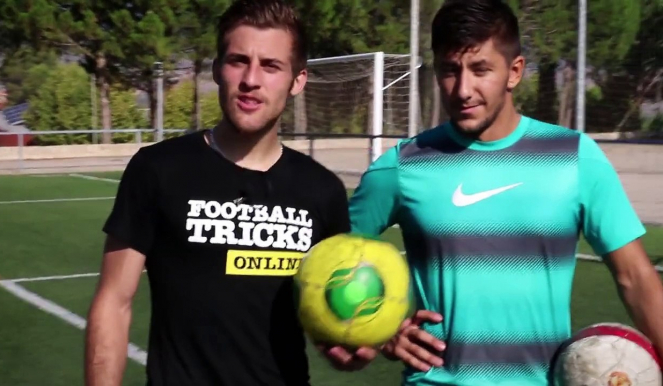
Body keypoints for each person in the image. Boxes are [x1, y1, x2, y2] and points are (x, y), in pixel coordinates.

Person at [347, 0, 663, 385]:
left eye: (481, 69)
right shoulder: (404, 165)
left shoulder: (574, 157)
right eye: (450, 70)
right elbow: (334, 257)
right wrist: (383, 328)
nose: (463, 89)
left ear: (514, 72)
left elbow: (635, 277)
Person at [83, 1, 375, 385]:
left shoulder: (322, 191)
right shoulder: (158, 169)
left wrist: (348, 347)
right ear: (219, 69)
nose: (251, 79)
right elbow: (114, 303)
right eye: (239, 60)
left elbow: (332, 311)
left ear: (298, 80)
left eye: (271, 66)